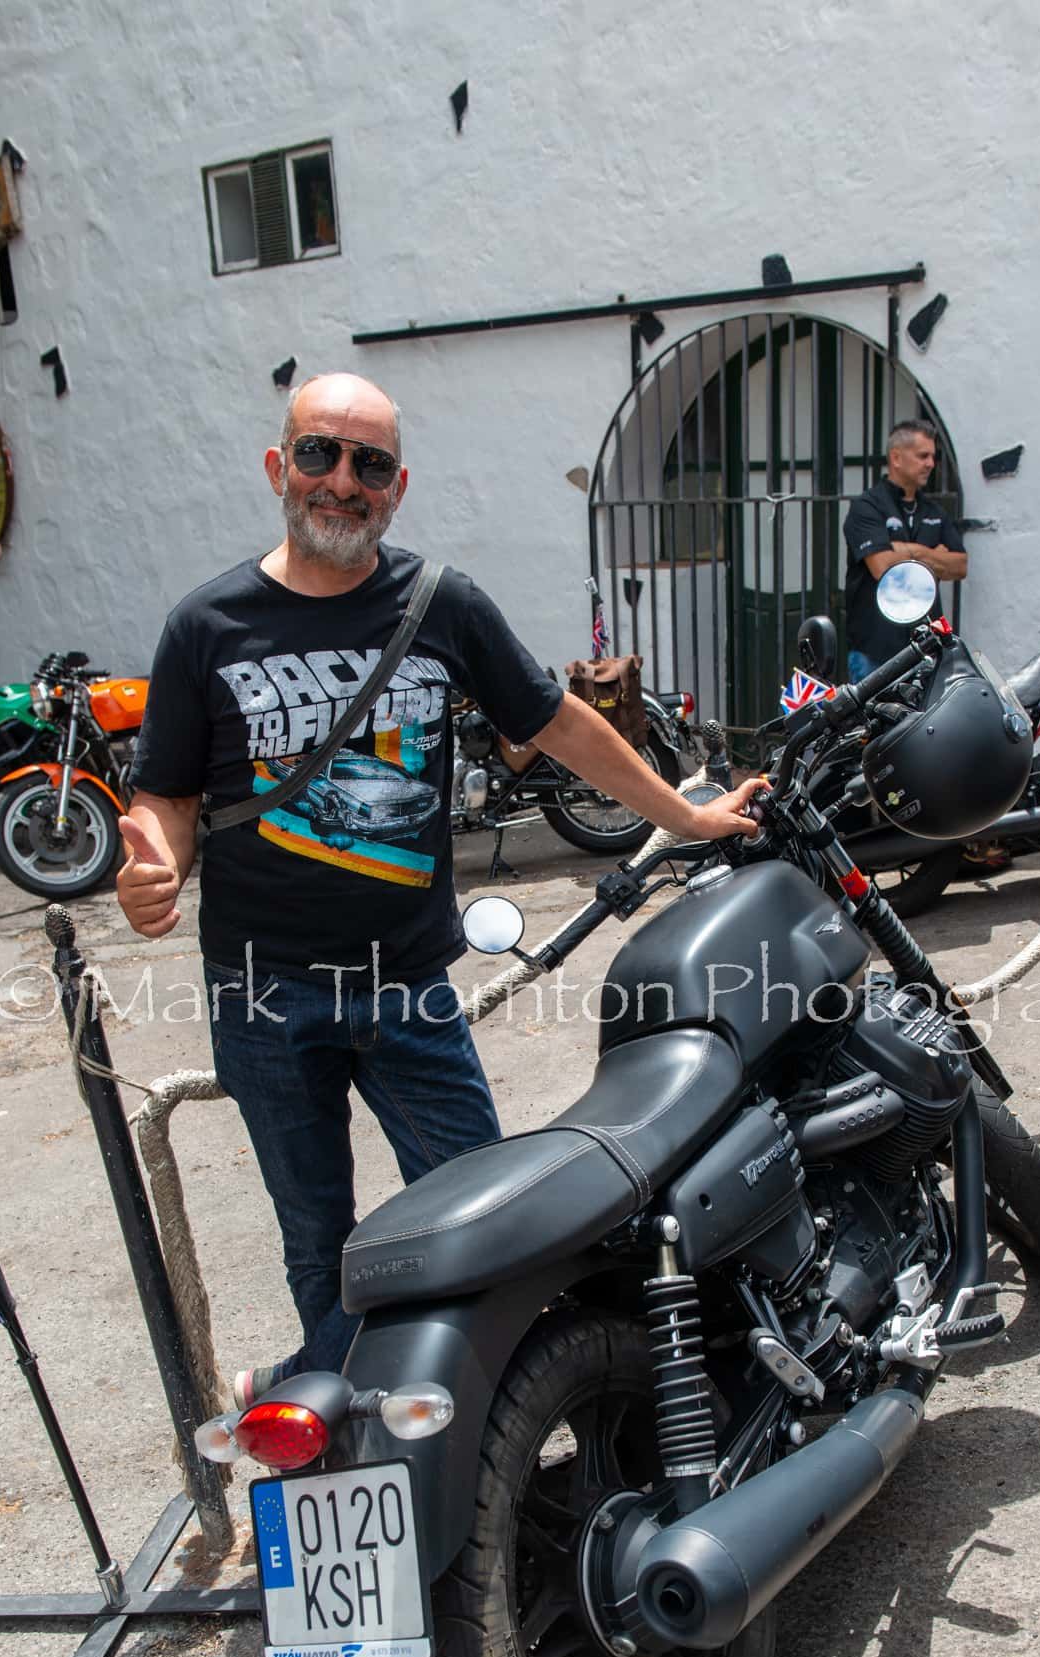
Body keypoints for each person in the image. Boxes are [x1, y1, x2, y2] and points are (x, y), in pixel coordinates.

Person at [118, 372, 763, 1403]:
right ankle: (349, 1415)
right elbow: (170, 798)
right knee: (314, 1236)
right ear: (278, 466)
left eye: (368, 464)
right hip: (261, 993)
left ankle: (451, 1412)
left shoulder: (439, 604)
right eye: (320, 454)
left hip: (406, 986)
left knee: (483, 1214)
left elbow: (558, 722)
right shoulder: (207, 624)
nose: (342, 482)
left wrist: (681, 815)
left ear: (397, 485)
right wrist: (150, 861)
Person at [843, 419, 968, 685]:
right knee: (875, 725)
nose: (931, 464)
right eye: (923, 456)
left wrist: (909, 550)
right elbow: (883, 567)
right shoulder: (867, 507)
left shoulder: (934, 511)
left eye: (933, 457)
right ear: (896, 458)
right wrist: (934, 557)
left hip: (927, 649)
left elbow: (959, 566)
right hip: (875, 650)